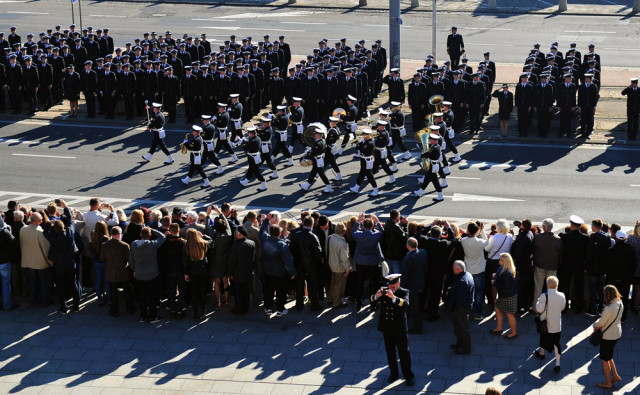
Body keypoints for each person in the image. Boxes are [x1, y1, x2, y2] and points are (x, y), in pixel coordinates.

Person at [370, 274, 414, 386]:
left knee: (404, 353)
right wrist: (376, 295)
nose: (392, 286)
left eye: (394, 284)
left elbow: (406, 304)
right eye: (390, 284)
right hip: (387, 327)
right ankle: (393, 373)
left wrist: (393, 298)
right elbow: (372, 301)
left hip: (399, 328)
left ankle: (408, 376)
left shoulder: (404, 292)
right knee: (390, 352)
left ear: (399, 283)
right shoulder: (384, 290)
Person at [259, 215, 296, 316]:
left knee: (268, 290)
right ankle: (280, 309)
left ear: (270, 232)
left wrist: (267, 219)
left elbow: (262, 230)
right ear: (280, 234)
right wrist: (292, 272)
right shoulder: (282, 245)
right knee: (281, 292)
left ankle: (268, 307)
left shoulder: (265, 240)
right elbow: (288, 260)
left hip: (267, 271)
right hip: (280, 273)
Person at [129, 226, 166, 323]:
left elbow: (131, 259)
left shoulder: (133, 245)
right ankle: (153, 316)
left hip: (139, 274)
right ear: (150, 235)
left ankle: (143, 315)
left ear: (140, 234)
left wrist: (134, 269)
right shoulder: (153, 244)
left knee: (142, 296)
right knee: (152, 296)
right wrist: (151, 229)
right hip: (152, 274)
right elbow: (162, 237)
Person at [592, 285, 623, 389]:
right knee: (609, 356)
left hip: (608, 336)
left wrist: (594, 325)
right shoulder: (620, 303)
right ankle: (615, 375)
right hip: (617, 333)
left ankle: (608, 383)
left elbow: (601, 322)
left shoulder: (609, 308)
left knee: (604, 359)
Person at [289, 215, 323, 312]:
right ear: (312, 225)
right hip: (311, 264)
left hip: (299, 263)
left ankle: (299, 304)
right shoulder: (313, 236)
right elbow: (318, 252)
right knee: (312, 285)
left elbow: (291, 249)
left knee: (299, 285)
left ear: (303, 223)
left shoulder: (296, 235)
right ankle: (313, 304)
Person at [352, 213, 385, 310]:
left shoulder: (358, 235)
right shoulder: (376, 236)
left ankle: (358, 303)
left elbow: (353, 231)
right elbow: (382, 231)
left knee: (359, 282)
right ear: (372, 225)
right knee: (373, 283)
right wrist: (377, 221)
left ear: (363, 225)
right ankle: (373, 303)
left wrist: (358, 221)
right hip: (372, 262)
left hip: (361, 261)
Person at [533, 276, 566, 371]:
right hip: (556, 324)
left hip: (545, 324)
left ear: (547, 284)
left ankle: (542, 353)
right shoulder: (562, 295)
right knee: (556, 343)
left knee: (543, 338)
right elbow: (562, 307)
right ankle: (557, 363)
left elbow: (539, 309)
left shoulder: (544, 296)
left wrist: (538, 302)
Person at [100, 226, 134, 317]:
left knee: (113, 293)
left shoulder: (104, 245)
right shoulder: (125, 245)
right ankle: (129, 309)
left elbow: (102, 259)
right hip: (124, 272)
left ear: (111, 234)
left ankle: (115, 311)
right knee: (127, 292)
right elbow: (129, 259)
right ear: (119, 234)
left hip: (111, 272)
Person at [20, 212, 53, 306]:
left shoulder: (23, 229)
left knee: (32, 283)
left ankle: (33, 301)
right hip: (41, 262)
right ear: (38, 221)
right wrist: (50, 262)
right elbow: (46, 249)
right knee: (44, 283)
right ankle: (46, 301)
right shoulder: (40, 232)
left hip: (28, 261)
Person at [558, 215, 589, 314]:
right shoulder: (585, 238)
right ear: (580, 226)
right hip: (579, 266)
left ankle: (565, 307)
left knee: (565, 287)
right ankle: (577, 307)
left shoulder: (565, 237)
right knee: (578, 287)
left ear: (571, 225)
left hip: (566, 266)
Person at [444, 260, 474, 355]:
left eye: (453, 268)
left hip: (461, 309)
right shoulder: (468, 274)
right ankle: (460, 343)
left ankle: (466, 348)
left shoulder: (462, 281)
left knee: (462, 328)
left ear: (457, 269)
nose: (452, 269)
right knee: (458, 327)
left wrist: (453, 307)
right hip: (463, 307)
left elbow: (460, 299)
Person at [605, 231, 635, 323]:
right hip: (626, 279)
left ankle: (612, 316)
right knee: (624, 298)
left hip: (613, 279)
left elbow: (607, 266)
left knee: (612, 298)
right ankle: (623, 317)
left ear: (616, 239)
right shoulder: (630, 250)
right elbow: (633, 264)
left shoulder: (611, 250)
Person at [183, 228, 213, 321]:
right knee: (202, 291)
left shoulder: (186, 246)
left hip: (192, 270)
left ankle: (196, 312)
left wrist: (186, 273)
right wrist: (203, 236)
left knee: (194, 291)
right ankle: (203, 311)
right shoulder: (203, 243)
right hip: (202, 269)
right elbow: (211, 241)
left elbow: (185, 262)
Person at [461, 221, 488, 320]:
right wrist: (482, 230)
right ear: (477, 231)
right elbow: (487, 241)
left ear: (467, 230)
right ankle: (479, 312)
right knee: (479, 292)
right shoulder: (480, 242)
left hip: (468, 269)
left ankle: (466, 311)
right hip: (480, 269)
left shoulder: (463, 241)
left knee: (467, 292)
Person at [483, 219, 513, 306]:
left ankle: (493, 301)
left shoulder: (494, 237)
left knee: (493, 282)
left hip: (493, 262)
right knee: (503, 281)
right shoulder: (510, 237)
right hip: (505, 261)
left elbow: (486, 249)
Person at [228, 226, 256, 315]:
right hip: (248, 271)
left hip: (237, 272)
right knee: (246, 291)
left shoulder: (235, 246)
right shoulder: (252, 243)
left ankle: (239, 308)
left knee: (238, 292)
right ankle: (246, 307)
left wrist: (230, 273)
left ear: (239, 235)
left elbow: (232, 261)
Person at [490, 253, 519, 339]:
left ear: (505, 261)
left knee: (509, 314)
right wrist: (496, 276)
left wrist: (495, 282)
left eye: (500, 260)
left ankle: (514, 332)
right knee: (497, 309)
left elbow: (506, 287)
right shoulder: (504, 268)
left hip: (507, 296)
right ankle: (499, 328)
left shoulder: (507, 273)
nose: (498, 261)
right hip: (505, 295)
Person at [401, 237, 426, 334]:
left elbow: (405, 275)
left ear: (407, 246)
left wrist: (401, 287)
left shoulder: (407, 258)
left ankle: (417, 328)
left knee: (414, 307)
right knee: (414, 305)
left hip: (412, 286)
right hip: (420, 282)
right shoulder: (423, 253)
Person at [413, 131, 444, 201]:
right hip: (432, 166)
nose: (429, 140)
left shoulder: (434, 148)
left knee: (435, 181)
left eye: (430, 139)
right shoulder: (436, 146)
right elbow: (429, 150)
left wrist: (422, 155)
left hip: (432, 166)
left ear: (434, 140)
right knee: (427, 179)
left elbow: (428, 154)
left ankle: (440, 195)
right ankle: (420, 192)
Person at [300, 127, 332, 194]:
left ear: (318, 135)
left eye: (315, 134)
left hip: (318, 160)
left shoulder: (318, 143)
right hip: (318, 159)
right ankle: (307, 185)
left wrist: (308, 153)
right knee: (313, 172)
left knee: (322, 174)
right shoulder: (322, 141)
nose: (314, 135)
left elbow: (314, 153)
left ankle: (329, 187)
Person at [349, 128, 379, 197]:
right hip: (363, 159)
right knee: (362, 174)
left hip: (367, 160)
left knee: (370, 176)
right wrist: (356, 144)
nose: (363, 135)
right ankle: (356, 188)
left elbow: (362, 149)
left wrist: (355, 146)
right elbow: (360, 145)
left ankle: (376, 190)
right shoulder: (366, 140)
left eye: (364, 134)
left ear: (368, 135)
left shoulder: (369, 143)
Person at [237, 126, 268, 192]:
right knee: (251, 169)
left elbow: (246, 148)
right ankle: (245, 181)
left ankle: (264, 184)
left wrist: (242, 143)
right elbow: (250, 143)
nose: (248, 134)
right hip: (255, 156)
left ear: (251, 134)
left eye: (249, 133)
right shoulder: (257, 138)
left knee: (256, 172)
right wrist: (245, 141)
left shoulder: (253, 141)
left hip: (253, 157)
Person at [327, 222, 350, 309]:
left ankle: (330, 299)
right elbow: (344, 259)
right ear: (344, 231)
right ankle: (336, 302)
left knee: (333, 283)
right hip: (339, 267)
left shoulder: (330, 238)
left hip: (332, 264)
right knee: (339, 286)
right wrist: (347, 269)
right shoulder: (342, 243)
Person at [89, 220, 110, 306]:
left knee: (98, 281)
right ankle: (109, 300)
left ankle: (100, 299)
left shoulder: (92, 234)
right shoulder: (105, 238)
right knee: (106, 282)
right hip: (104, 262)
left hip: (95, 262)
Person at [0, 216, 17, 310]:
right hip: (4, 261)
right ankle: (7, 304)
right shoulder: (4, 232)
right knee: (6, 283)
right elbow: (13, 241)